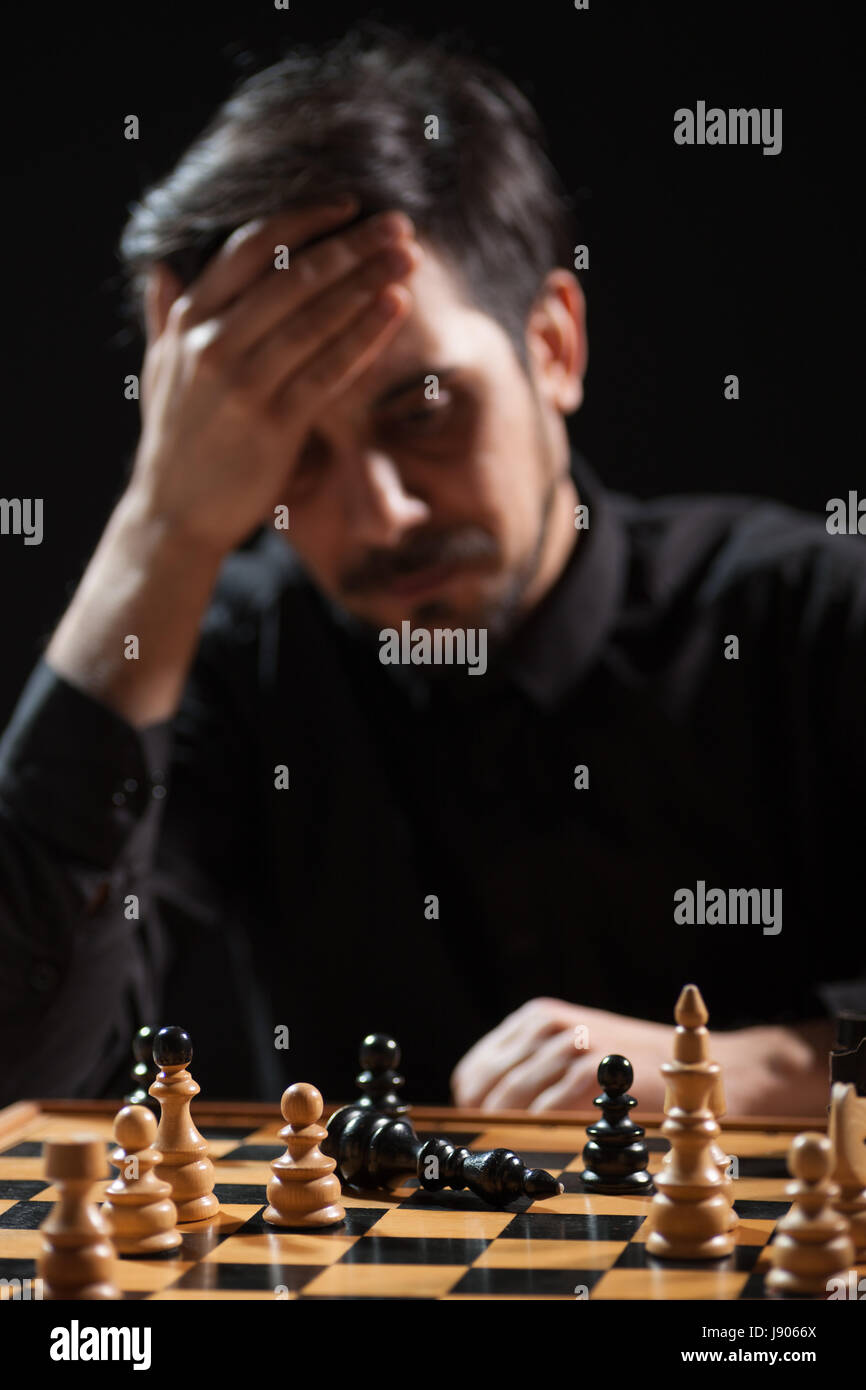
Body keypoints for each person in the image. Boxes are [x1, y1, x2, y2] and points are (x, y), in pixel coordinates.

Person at [0, 25, 863, 1112]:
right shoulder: (233, 669)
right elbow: (21, 1076)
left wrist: (760, 1069)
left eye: (424, 411)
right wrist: (161, 525)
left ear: (552, 344)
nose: (380, 514)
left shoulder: (809, 616)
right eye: (289, 454)